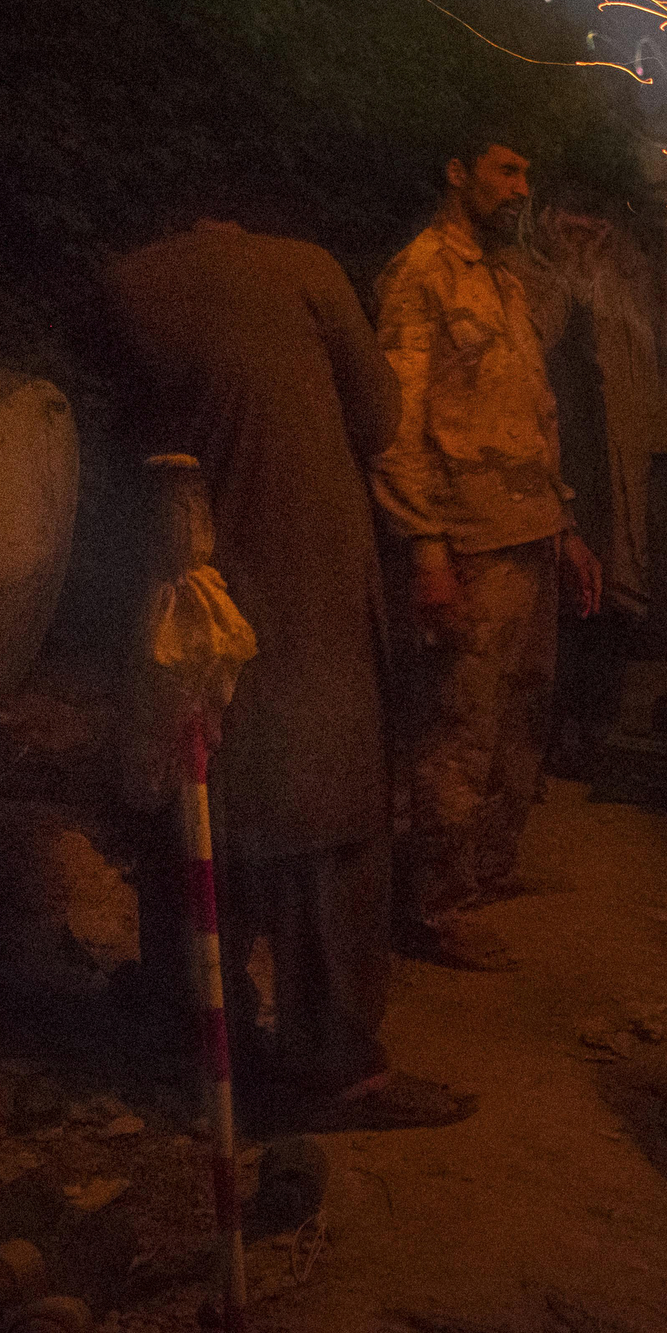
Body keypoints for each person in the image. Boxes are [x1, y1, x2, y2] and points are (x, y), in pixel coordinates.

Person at [105, 205, 473, 1132]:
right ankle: (332, 1064)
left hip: (184, 578)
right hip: (303, 572)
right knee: (327, 810)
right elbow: (383, 417)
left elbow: (122, 436)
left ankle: (201, 1044)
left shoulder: (122, 284)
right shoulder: (305, 264)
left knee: (195, 797)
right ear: (236, 222)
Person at [371, 134, 601, 973]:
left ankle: (485, 872)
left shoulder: (502, 279)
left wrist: (565, 527)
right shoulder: (420, 275)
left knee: (518, 720)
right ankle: (433, 906)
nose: (521, 187)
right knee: (457, 729)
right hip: (468, 542)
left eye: (526, 172)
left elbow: (531, 414)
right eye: (507, 169)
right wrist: (426, 550)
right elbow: (397, 424)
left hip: (527, 535)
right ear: (456, 170)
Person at [500, 186, 665, 742]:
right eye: (569, 233)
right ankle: (550, 729)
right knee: (556, 592)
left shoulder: (619, 292)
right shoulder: (521, 280)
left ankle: (589, 722)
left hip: (606, 455)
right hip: (550, 455)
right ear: (545, 225)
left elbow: (635, 377)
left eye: (593, 235)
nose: (582, 247)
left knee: (607, 576)